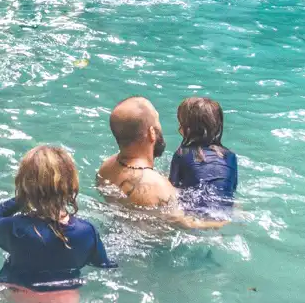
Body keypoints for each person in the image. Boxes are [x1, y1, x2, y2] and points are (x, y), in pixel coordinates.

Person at [0, 145, 116, 303]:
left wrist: (22, 198)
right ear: (71, 184)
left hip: (18, 294)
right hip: (65, 300)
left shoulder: (16, 229)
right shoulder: (87, 231)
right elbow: (103, 265)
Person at [97, 96, 227, 229]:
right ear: (151, 133)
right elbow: (186, 224)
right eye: (157, 121)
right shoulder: (160, 188)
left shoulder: (105, 169)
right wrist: (221, 223)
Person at [169, 97, 238, 212]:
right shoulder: (230, 156)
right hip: (224, 212)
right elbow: (231, 190)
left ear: (187, 128)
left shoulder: (181, 154)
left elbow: (172, 189)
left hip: (194, 213)